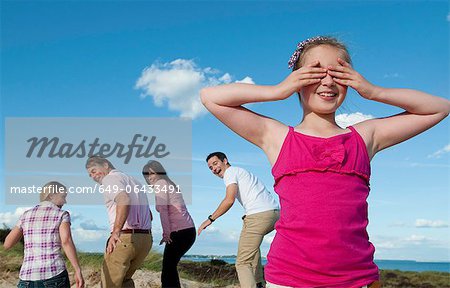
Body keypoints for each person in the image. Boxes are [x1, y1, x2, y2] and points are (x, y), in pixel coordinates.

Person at [200, 36, 450, 288]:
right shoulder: (278, 137)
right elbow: (211, 96)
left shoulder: (364, 137)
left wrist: (374, 91)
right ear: (298, 80)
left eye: (339, 73)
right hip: (289, 278)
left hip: (357, 278)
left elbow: (439, 107)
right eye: (316, 72)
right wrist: (277, 90)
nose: (328, 81)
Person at [198, 152, 280, 288]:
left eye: (215, 163)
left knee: (242, 263)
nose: (214, 169)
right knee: (252, 251)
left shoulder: (230, 173)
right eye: (210, 168)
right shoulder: (241, 171)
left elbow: (229, 200)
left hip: (258, 216)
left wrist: (210, 219)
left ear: (225, 161)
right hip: (274, 213)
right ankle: (259, 283)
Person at [86, 156, 153, 288]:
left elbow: (124, 200)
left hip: (125, 238)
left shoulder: (109, 179)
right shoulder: (135, 182)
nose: (93, 176)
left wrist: (116, 232)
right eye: (90, 175)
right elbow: (149, 215)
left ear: (105, 165)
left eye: (94, 171)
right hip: (145, 239)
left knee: (109, 284)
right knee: (125, 281)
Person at [4, 181, 84, 288]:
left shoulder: (26, 215)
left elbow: (7, 244)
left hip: (27, 278)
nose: (65, 201)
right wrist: (77, 270)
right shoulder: (62, 214)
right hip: (53, 274)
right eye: (63, 196)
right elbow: (66, 241)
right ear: (51, 196)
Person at [142, 160, 196, 288]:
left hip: (180, 231)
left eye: (152, 173)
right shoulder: (169, 184)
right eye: (147, 175)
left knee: (168, 269)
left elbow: (164, 211)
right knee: (170, 267)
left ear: (160, 172)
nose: (149, 178)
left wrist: (166, 233)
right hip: (188, 230)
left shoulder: (161, 184)